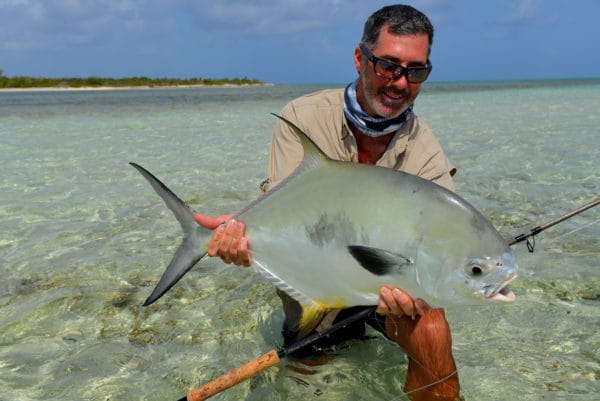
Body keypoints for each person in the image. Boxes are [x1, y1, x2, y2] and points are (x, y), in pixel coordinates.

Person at [194, 5, 461, 401]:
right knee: (310, 382)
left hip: (392, 283)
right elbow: (286, 215)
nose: (401, 82)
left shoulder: (424, 148)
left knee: (433, 336)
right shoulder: (303, 118)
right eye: (389, 65)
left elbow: (442, 241)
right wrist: (241, 238)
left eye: (415, 70)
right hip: (315, 277)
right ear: (359, 58)